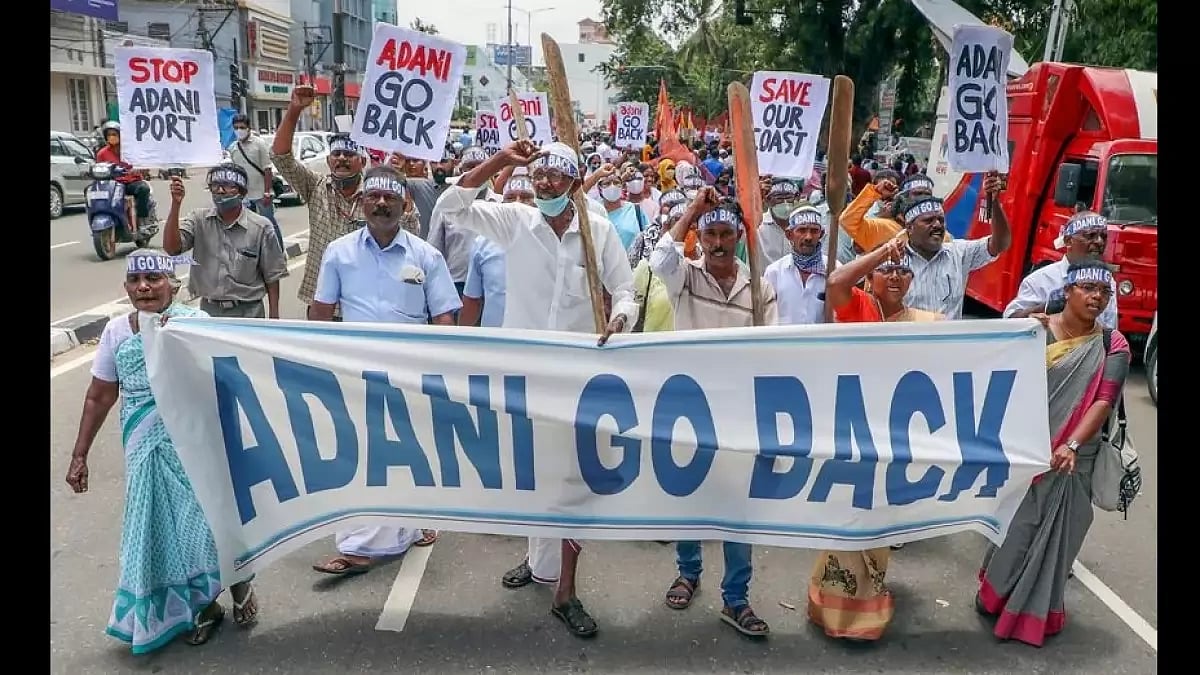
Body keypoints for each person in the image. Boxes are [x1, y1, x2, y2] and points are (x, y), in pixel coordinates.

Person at [435, 139, 639, 638]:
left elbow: (626, 290)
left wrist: (619, 316)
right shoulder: (515, 220)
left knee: (570, 479)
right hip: (522, 374)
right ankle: (537, 559)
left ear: (573, 183)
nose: (543, 183)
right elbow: (450, 207)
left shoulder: (599, 231)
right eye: (538, 175)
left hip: (575, 377)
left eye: (554, 177)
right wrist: (503, 160)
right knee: (529, 472)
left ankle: (565, 590)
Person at [66, 249, 259, 653]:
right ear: (125, 288)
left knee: (205, 524)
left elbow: (225, 382)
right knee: (156, 530)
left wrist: (178, 339)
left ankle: (240, 587)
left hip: (193, 444)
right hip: (143, 447)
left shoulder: (196, 324)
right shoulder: (118, 332)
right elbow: (99, 397)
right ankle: (202, 609)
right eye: (136, 281)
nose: (144, 288)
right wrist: (79, 454)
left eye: (154, 280)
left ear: (173, 284)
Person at [308, 165, 461, 575]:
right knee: (360, 454)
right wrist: (316, 362)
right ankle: (356, 545)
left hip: (410, 375)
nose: (381, 203)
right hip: (355, 374)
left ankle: (409, 526)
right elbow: (322, 311)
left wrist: (439, 368)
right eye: (373, 196)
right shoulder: (338, 252)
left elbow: (445, 315)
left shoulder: (426, 255)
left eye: (389, 197)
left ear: (404, 203)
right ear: (361, 201)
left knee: (407, 451)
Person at [977, 262, 1131, 647]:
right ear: (1068, 290)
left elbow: (1103, 401)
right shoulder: (1035, 332)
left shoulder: (1113, 344)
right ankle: (995, 595)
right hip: (1028, 452)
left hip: (1075, 457)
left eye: (1105, 292)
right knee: (1016, 529)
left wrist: (1072, 444)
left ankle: (1035, 610)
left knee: (1064, 533)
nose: (1097, 297)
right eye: (1088, 288)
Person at [650, 187, 777, 637]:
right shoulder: (684, 276)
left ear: (739, 237)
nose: (719, 243)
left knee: (737, 508)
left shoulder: (759, 287)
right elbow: (658, 255)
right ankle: (688, 571)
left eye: (727, 233)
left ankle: (736, 598)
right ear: (700, 239)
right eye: (711, 235)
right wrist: (692, 211)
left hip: (739, 414)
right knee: (690, 498)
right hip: (690, 410)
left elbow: (773, 353)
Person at [807, 233, 943, 642]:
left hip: (898, 439)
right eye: (887, 270)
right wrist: (883, 251)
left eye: (904, 270)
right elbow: (835, 284)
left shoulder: (928, 323)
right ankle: (834, 609)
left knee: (880, 523)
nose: (896, 275)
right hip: (851, 432)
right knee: (849, 520)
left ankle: (868, 603)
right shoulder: (859, 308)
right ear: (871, 277)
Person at [161, 163, 289, 318]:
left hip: (249, 312)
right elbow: (172, 248)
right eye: (215, 186)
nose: (220, 191)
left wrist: (274, 317)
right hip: (208, 312)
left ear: (242, 193)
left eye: (228, 186)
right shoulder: (198, 219)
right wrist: (176, 204)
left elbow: (272, 275)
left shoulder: (261, 227)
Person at [898, 177, 1010, 318]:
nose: (937, 225)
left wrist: (993, 203)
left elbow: (1000, 244)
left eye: (940, 220)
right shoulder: (895, 259)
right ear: (910, 227)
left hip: (951, 339)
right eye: (928, 220)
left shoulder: (959, 252)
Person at [1004, 211, 1119, 329]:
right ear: (1069, 241)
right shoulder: (1039, 280)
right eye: (1090, 236)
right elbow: (1008, 321)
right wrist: (1044, 308)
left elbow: (1110, 327)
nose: (1099, 242)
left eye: (1103, 237)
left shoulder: (1108, 281)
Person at [459, 174, 532, 327]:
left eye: (526, 197)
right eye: (511, 198)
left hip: (537, 341)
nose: (517, 204)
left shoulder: (553, 240)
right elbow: (473, 299)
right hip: (494, 341)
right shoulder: (483, 243)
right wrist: (460, 341)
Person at [763, 205, 832, 325]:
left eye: (814, 231)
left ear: (821, 234)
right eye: (802, 230)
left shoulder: (833, 269)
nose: (808, 237)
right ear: (789, 234)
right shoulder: (774, 272)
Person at [226, 113, 281, 250]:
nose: (239, 130)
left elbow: (267, 169)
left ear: (249, 128)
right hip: (244, 196)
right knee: (248, 227)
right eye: (236, 127)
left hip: (261, 193)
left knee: (269, 224)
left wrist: (267, 192)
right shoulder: (233, 148)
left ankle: (279, 250)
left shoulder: (259, 144)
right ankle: (255, 254)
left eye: (242, 127)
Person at [93, 121, 153, 224]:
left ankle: (142, 220)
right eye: (109, 135)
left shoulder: (130, 150)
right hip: (112, 184)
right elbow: (99, 168)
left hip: (131, 182)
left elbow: (142, 163)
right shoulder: (102, 154)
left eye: (114, 134)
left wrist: (138, 168)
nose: (112, 137)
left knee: (143, 189)